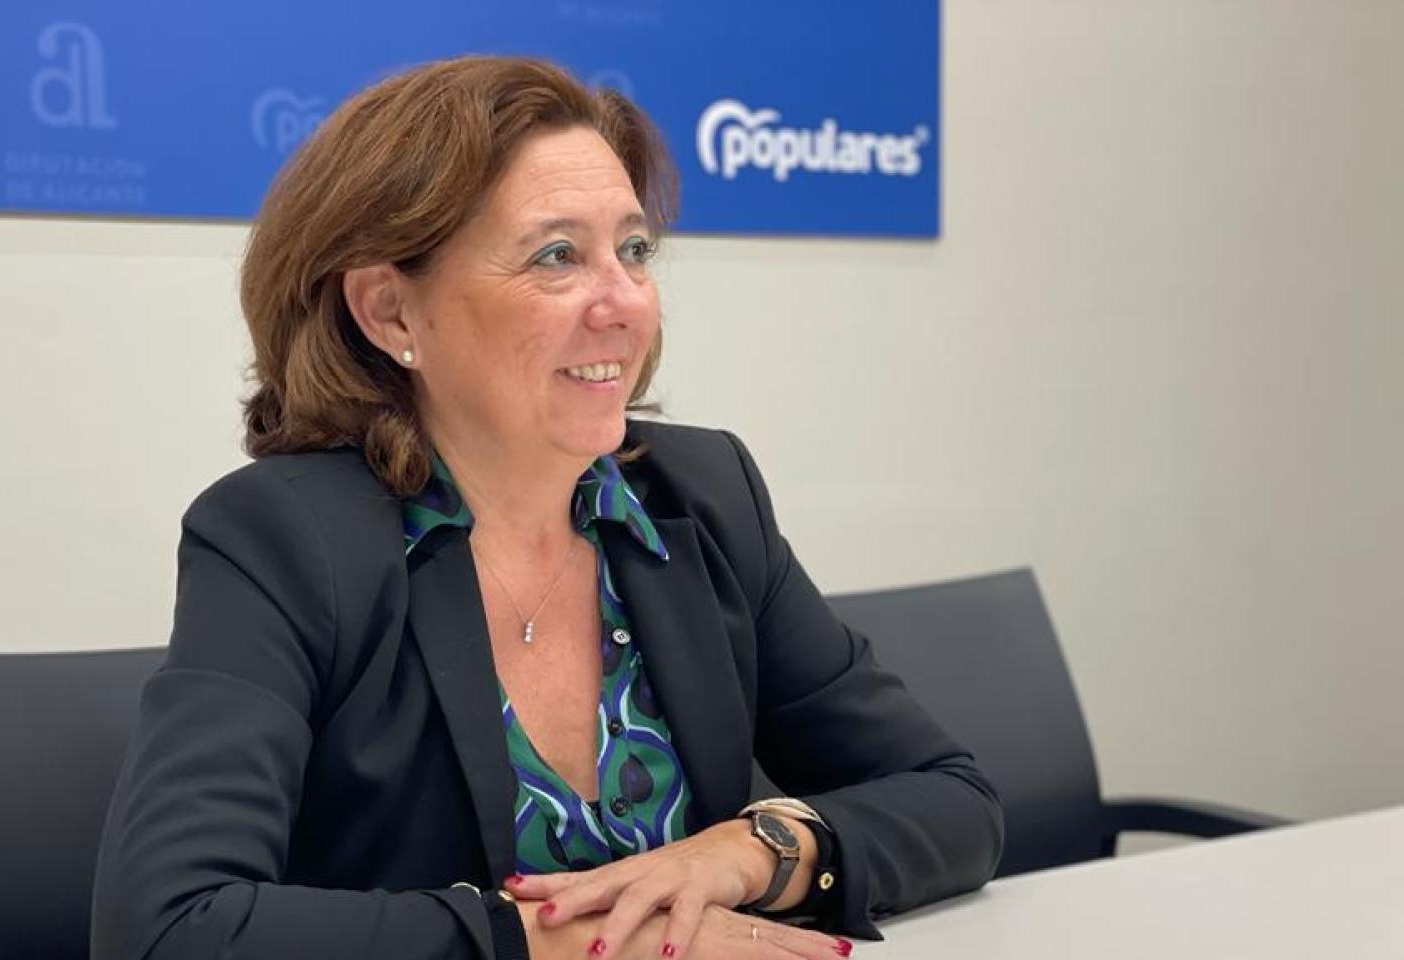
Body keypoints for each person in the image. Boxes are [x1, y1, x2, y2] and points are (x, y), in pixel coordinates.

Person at [91, 55, 1002, 960]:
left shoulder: (703, 497)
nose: (625, 304)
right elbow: (166, 928)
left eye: (634, 251)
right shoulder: (284, 539)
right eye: (556, 256)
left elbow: (953, 798)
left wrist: (755, 850)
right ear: (390, 312)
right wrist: (568, 941)